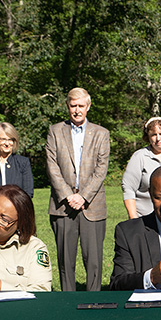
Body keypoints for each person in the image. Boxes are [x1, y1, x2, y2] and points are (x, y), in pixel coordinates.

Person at [45, 87, 110, 291]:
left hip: (92, 206)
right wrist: (68, 196)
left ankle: (95, 302)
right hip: (63, 207)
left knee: (94, 262)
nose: (77, 110)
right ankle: (67, 302)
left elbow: (101, 169)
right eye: (73, 106)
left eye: (81, 106)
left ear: (88, 107)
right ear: (67, 106)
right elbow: (51, 166)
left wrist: (82, 196)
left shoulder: (101, 133)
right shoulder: (55, 131)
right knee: (65, 262)